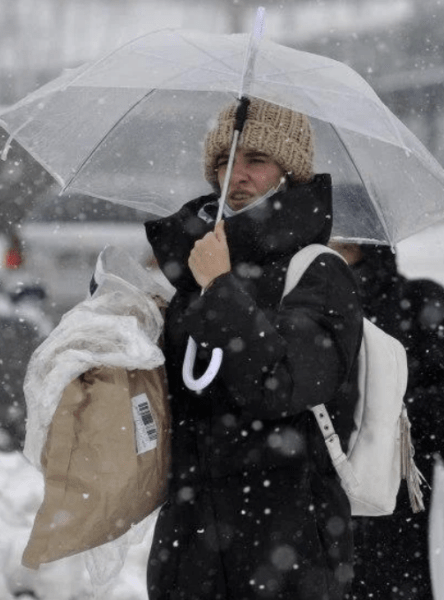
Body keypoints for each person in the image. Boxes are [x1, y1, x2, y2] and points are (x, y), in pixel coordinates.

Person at [144, 98, 364, 599]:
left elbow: (281, 386)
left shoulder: (318, 272)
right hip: (190, 543)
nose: (234, 176)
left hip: (286, 548)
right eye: (224, 161)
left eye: (256, 161)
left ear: (291, 172)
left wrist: (219, 288)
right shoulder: (195, 270)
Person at [329, 241, 444, 599]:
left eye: (344, 238)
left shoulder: (418, 301)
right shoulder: (306, 305)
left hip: (398, 480)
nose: (335, 245)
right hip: (324, 476)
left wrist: (387, 406)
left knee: (390, 581)